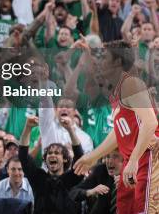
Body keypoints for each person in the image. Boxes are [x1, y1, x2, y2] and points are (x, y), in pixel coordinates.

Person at [74, 42, 159, 214]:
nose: (100, 61)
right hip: (132, 160)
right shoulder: (116, 92)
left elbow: (150, 122)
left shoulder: (131, 84)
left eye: (104, 57)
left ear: (118, 62)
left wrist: (134, 160)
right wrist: (93, 156)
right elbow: (118, 132)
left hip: (149, 157)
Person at [19, 114, 84, 214]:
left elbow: (79, 156)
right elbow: (23, 156)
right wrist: (27, 128)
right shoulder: (39, 178)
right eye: (49, 153)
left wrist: (70, 130)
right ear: (45, 159)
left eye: (57, 153)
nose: (52, 155)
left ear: (65, 159)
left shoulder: (72, 178)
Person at [69, 149, 128, 214]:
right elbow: (73, 193)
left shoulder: (136, 174)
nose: (109, 161)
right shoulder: (101, 170)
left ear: (126, 159)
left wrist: (128, 185)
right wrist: (90, 192)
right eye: (107, 156)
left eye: (115, 157)